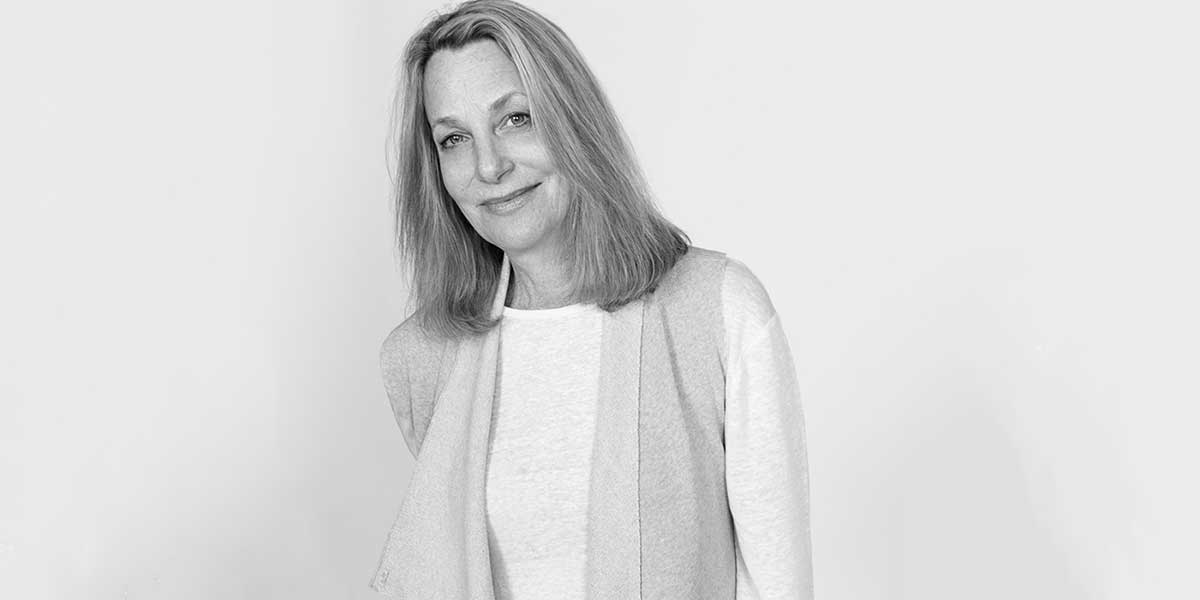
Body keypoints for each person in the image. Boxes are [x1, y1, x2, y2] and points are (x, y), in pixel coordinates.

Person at [369, 1, 812, 598]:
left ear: (573, 118)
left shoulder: (718, 311)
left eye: (516, 119)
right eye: (454, 138)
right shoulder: (422, 358)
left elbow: (779, 583)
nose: (489, 165)